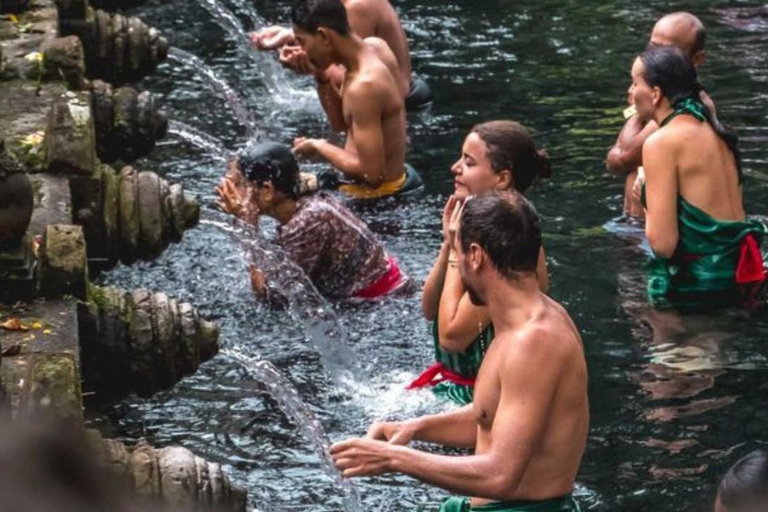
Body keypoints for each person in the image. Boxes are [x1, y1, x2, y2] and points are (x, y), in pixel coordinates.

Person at [331, 191, 589, 512]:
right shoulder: (524, 323)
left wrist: (393, 458)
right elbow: (493, 417)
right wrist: (415, 428)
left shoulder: (534, 341)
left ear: (476, 255)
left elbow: (501, 475)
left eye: (459, 253)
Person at [410, 121, 551, 405]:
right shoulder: (475, 225)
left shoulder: (508, 242)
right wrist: (450, 243)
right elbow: (429, 310)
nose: (455, 167)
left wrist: (454, 252)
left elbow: (451, 337)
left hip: (482, 400)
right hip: (456, 387)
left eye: (469, 162)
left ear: (502, 179)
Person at [631, 45, 767, 308]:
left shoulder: (661, 142)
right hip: (739, 279)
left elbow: (663, 246)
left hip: (697, 290)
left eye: (635, 83)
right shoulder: (718, 131)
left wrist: (644, 197)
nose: (630, 92)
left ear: (656, 93)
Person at [216, 141, 412, 301]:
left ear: (267, 191)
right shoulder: (306, 205)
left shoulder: (307, 222)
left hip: (383, 304)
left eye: (239, 184)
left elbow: (270, 295)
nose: (231, 192)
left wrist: (248, 228)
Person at [282, 0, 421, 201]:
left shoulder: (364, 86)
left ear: (323, 36)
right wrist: (321, 75)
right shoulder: (374, 48)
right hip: (384, 187)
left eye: (302, 41)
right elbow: (341, 123)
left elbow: (371, 176)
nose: (303, 51)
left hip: (379, 203)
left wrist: (318, 146)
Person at [607, 12, 710, 221]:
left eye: (670, 51)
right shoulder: (657, 98)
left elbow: (620, 159)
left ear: (697, 59)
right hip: (639, 228)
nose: (658, 57)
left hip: (656, 235)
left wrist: (640, 107)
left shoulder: (683, 110)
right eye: (653, 48)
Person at [250, 0, 433, 111]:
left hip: (404, 113)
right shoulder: (344, 6)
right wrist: (291, 36)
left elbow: (343, 78)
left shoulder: (358, 6)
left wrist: (310, 65)